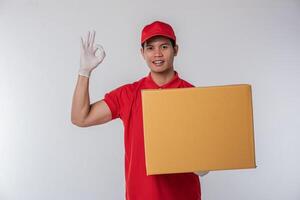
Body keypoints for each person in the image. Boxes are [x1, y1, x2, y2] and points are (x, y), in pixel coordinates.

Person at [71, 20, 208, 200]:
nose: (157, 54)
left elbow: (204, 162)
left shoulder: (194, 96)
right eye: (150, 48)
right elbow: (80, 118)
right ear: (142, 53)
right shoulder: (128, 94)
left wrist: (201, 162)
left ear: (176, 50)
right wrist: (84, 71)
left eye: (164, 46)